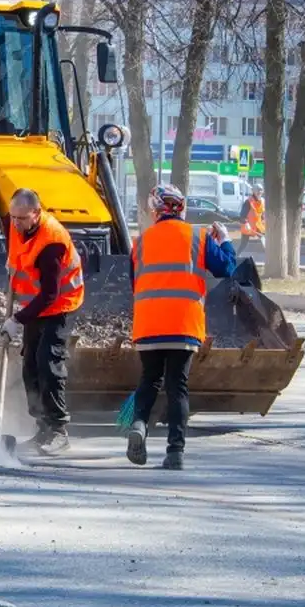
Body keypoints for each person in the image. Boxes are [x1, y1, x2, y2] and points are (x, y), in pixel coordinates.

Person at [125, 184, 237, 470]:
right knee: (178, 387)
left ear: (155, 211)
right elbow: (226, 269)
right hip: (183, 323)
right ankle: (175, 451)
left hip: (149, 322)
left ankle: (139, 424)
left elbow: (134, 283)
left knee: (149, 379)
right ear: (181, 207)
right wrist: (224, 241)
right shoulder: (198, 237)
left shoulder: (141, 242)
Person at [1, 187, 84, 456]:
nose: (16, 223)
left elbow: (50, 294)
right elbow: (18, 255)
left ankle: (59, 431)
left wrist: (17, 319)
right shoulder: (16, 224)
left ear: (36, 213)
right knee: (30, 366)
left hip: (58, 305)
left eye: (22, 218)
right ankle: (43, 428)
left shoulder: (52, 241)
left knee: (49, 362)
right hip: (33, 304)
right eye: (13, 217)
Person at [237, 184, 266, 256]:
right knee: (243, 244)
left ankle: (270, 255)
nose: (259, 192)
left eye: (261, 190)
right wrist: (246, 223)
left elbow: (261, 213)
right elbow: (242, 215)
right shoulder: (248, 202)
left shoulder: (262, 201)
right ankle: (236, 256)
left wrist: (263, 220)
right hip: (248, 226)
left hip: (259, 226)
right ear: (253, 191)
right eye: (257, 190)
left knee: (265, 240)